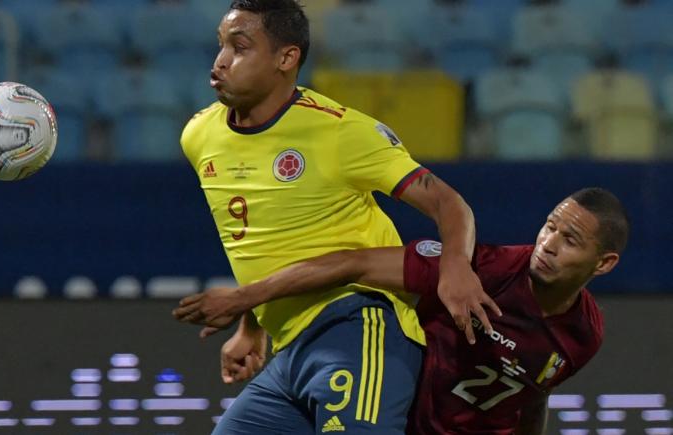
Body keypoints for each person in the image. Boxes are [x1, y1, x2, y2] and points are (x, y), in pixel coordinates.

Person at [178, 0, 492, 433]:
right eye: (220, 45)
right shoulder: (200, 135)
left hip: (358, 325)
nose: (220, 61)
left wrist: (455, 266)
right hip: (289, 351)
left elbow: (448, 202)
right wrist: (252, 327)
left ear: (286, 58)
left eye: (240, 47)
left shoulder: (342, 132)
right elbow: (261, 238)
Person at [175, 188, 629, 434]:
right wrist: (248, 305)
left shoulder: (585, 334)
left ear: (603, 263)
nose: (548, 244)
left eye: (569, 241)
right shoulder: (476, 269)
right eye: (550, 226)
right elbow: (351, 263)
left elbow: (533, 394)